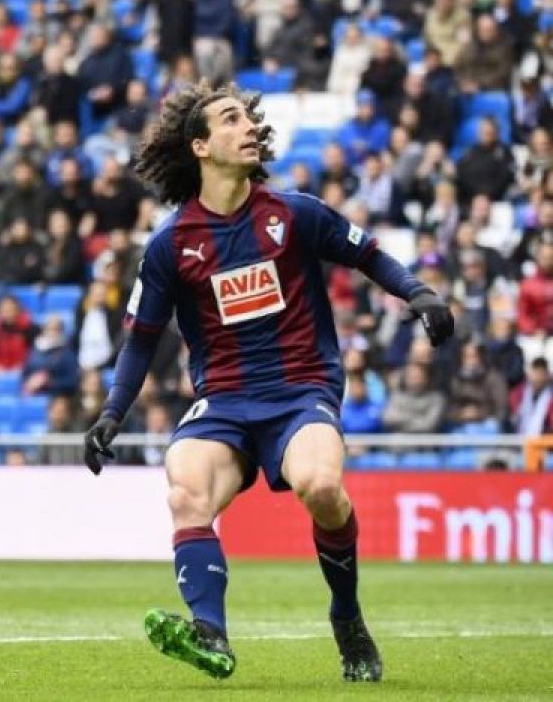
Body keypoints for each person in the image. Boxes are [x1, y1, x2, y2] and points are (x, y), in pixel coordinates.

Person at [82, 82, 454, 682]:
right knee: (185, 492)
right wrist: (112, 413)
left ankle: (347, 614)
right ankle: (212, 636)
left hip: (301, 393)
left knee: (320, 487)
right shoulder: (170, 245)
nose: (249, 127)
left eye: (249, 119)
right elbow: (142, 339)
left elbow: (369, 255)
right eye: (232, 119)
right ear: (201, 146)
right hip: (223, 404)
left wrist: (419, 292)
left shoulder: (295, 214)